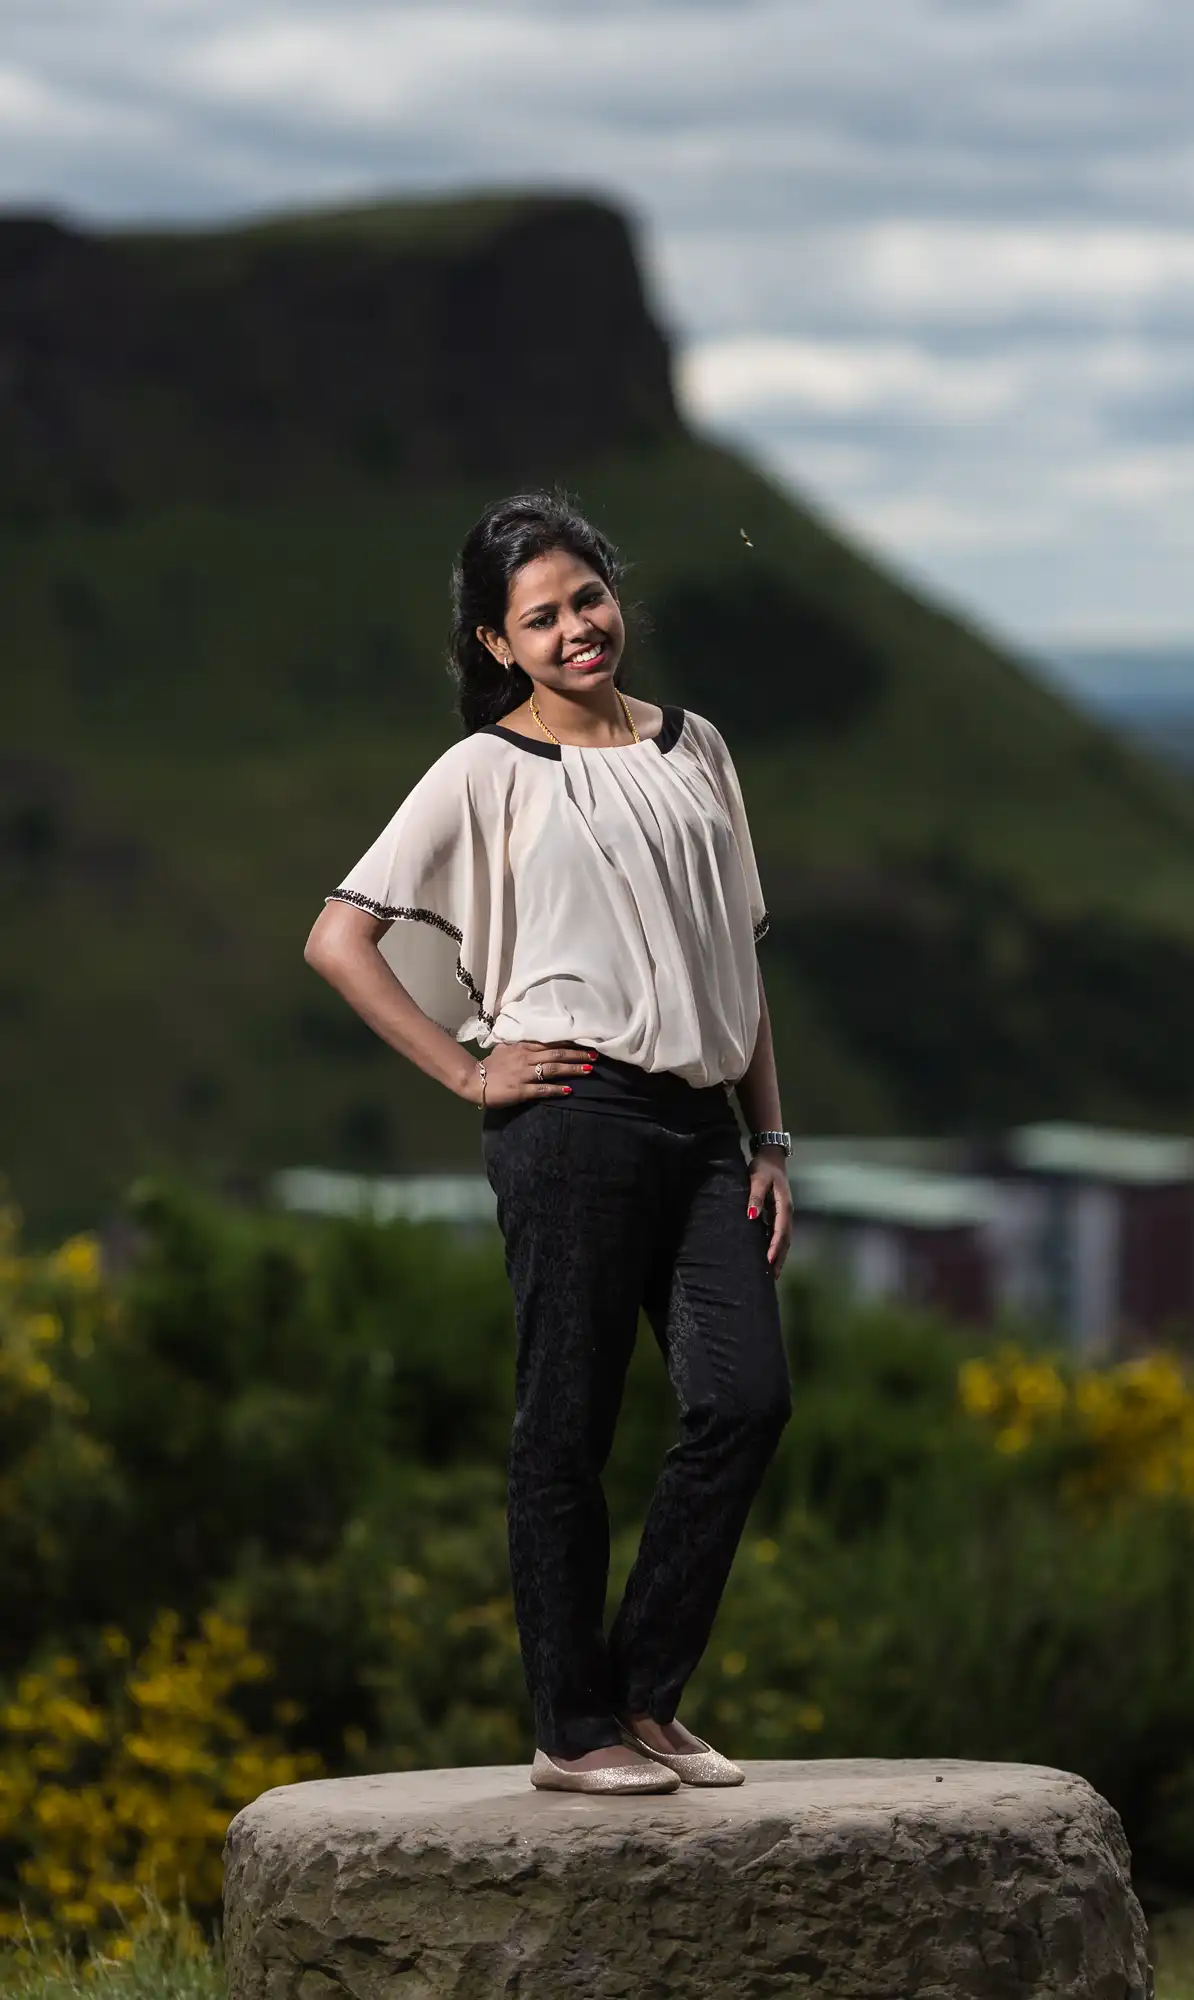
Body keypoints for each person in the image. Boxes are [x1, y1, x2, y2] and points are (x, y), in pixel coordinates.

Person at [304, 491, 794, 1795]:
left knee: (746, 1398)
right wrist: (469, 1068)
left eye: (588, 598)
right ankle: (571, 1727)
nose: (577, 627)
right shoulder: (481, 772)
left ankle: (641, 1698)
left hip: (700, 1133)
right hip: (567, 1121)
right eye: (542, 616)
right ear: (496, 644)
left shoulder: (699, 749)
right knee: (565, 1423)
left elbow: (736, 966)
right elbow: (339, 938)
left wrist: (771, 1140)